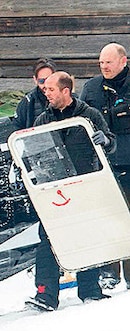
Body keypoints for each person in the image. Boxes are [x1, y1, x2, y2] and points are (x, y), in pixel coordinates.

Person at [26, 71, 115, 311]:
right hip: (55, 190)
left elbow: (111, 141)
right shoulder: (43, 120)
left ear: (66, 91)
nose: (47, 93)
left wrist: (105, 141)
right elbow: (32, 153)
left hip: (86, 185)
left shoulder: (89, 115)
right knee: (49, 239)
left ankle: (90, 291)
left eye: (51, 90)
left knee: (88, 236)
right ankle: (45, 294)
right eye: (45, 90)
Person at [81, 43, 130, 289]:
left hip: (129, 162)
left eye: (109, 62)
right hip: (103, 166)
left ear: (123, 61)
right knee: (108, 219)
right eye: (101, 63)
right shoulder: (91, 88)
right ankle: (110, 271)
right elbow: (77, 118)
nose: (104, 67)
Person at [15, 57, 56, 129]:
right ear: (35, 80)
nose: (46, 85)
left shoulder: (68, 98)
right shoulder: (27, 102)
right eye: (42, 81)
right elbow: (17, 130)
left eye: (49, 79)